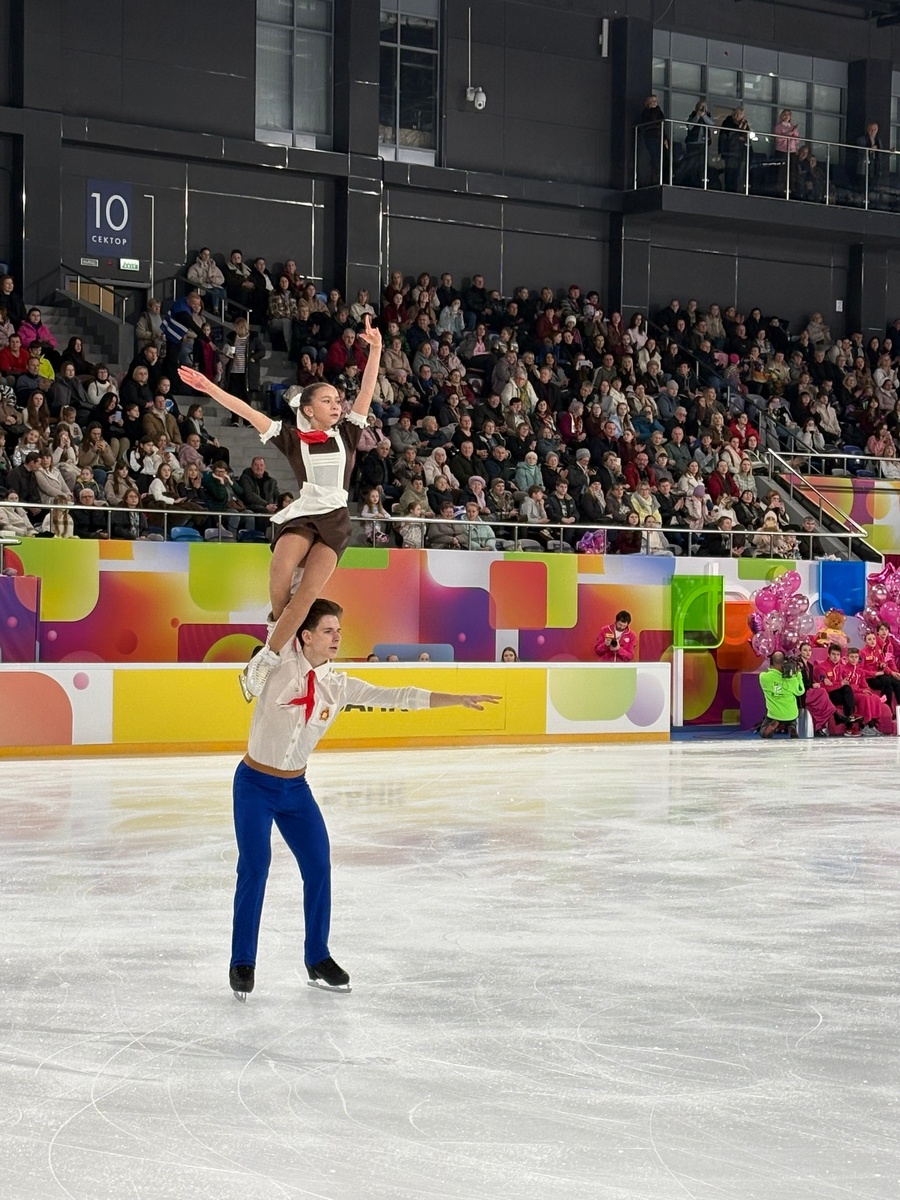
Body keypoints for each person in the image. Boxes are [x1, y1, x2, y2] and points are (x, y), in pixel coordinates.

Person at [227, 598, 499, 999]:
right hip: (254, 784)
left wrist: (454, 698)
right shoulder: (279, 664)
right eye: (327, 630)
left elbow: (399, 695)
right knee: (255, 867)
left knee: (319, 866)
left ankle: (317, 956)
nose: (337, 637)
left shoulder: (339, 686)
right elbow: (283, 611)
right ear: (305, 635)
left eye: (338, 630)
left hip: (295, 790)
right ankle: (242, 961)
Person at [177, 315, 383, 699]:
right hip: (305, 512)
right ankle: (280, 635)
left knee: (305, 594)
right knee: (280, 566)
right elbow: (245, 410)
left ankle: (267, 659)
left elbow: (367, 389)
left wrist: (375, 349)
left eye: (338, 400)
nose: (337, 405)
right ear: (308, 409)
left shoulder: (350, 433)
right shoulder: (291, 439)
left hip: (336, 521)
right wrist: (209, 387)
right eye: (327, 401)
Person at [758, 652, 805, 738]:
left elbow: (768, 673)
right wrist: (798, 674)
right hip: (791, 714)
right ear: (784, 662)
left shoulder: (763, 677)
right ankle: (792, 726)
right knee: (792, 719)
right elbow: (800, 691)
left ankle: (772, 726)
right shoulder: (792, 680)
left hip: (774, 714)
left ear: (772, 662)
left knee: (762, 732)